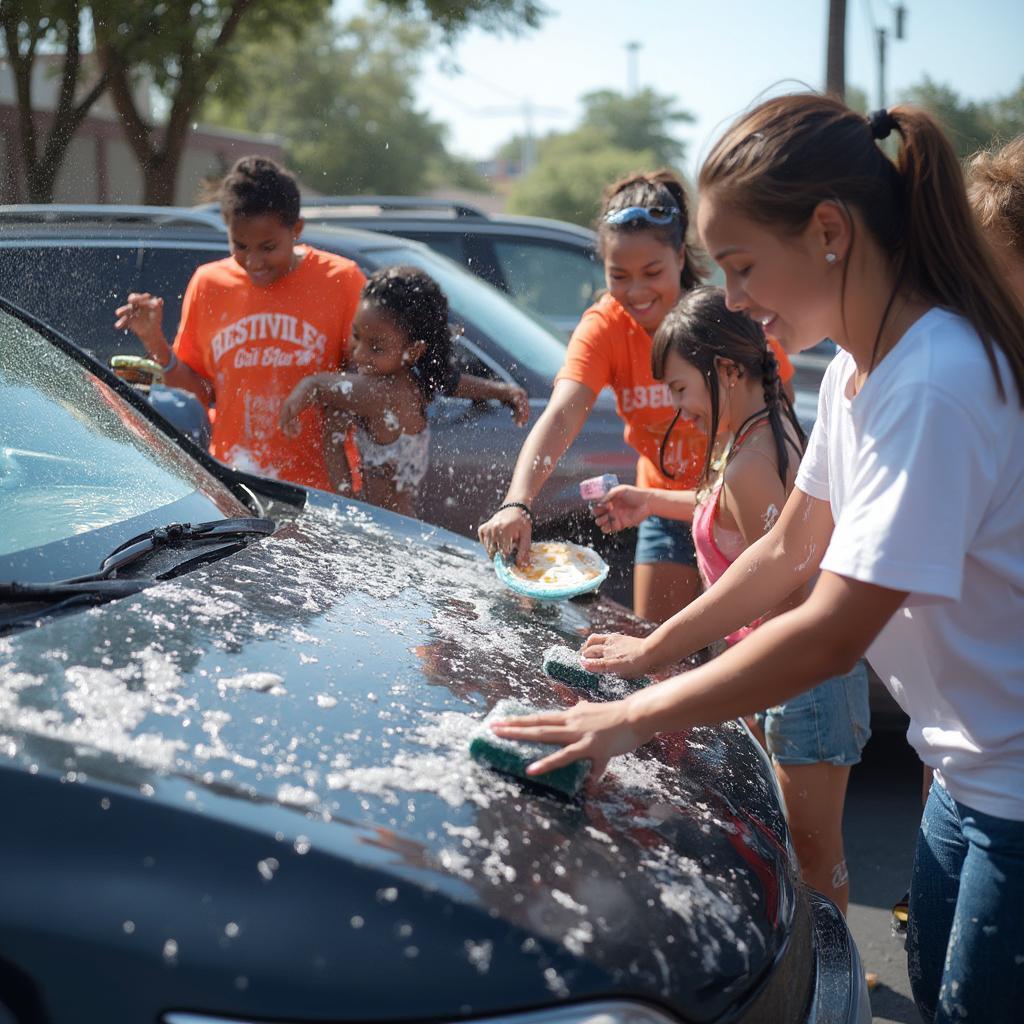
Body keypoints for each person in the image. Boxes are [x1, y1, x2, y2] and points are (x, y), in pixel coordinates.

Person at [490, 95, 1024, 1024]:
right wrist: (648, 657)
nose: (732, 300)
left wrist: (632, 719)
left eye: (740, 267)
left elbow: (828, 628)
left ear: (828, 232)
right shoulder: (865, 375)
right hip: (967, 778)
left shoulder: (935, 378)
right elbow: (786, 549)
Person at [594, 285, 869, 913]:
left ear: (728, 370)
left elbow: (788, 582)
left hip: (805, 685)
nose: (676, 408)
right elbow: (741, 526)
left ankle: (829, 975)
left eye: (682, 389)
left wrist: (678, 658)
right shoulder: (760, 433)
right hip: (784, 676)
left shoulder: (749, 458)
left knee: (813, 851)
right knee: (796, 847)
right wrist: (651, 501)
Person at [477, 169, 794, 623]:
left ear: (681, 256)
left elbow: (777, 407)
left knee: (753, 640)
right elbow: (562, 416)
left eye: (652, 272)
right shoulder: (605, 326)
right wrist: (518, 500)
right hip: (662, 504)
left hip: (735, 504)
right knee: (662, 651)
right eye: (619, 276)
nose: (637, 291)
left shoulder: (720, 317)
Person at [115, 155, 527, 493]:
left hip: (321, 492)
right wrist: (157, 345)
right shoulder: (209, 284)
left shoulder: (341, 280)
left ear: (296, 229)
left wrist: (320, 390)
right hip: (235, 484)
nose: (253, 261)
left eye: (268, 247)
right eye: (239, 246)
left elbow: (392, 375)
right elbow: (202, 393)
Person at [279, 265, 450, 517]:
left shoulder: (380, 392)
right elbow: (458, 384)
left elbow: (317, 385)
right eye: (356, 337)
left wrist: (295, 402)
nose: (359, 354)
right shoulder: (417, 382)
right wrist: (503, 392)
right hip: (400, 519)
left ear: (413, 351)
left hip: (380, 526)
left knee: (335, 418)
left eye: (376, 348)